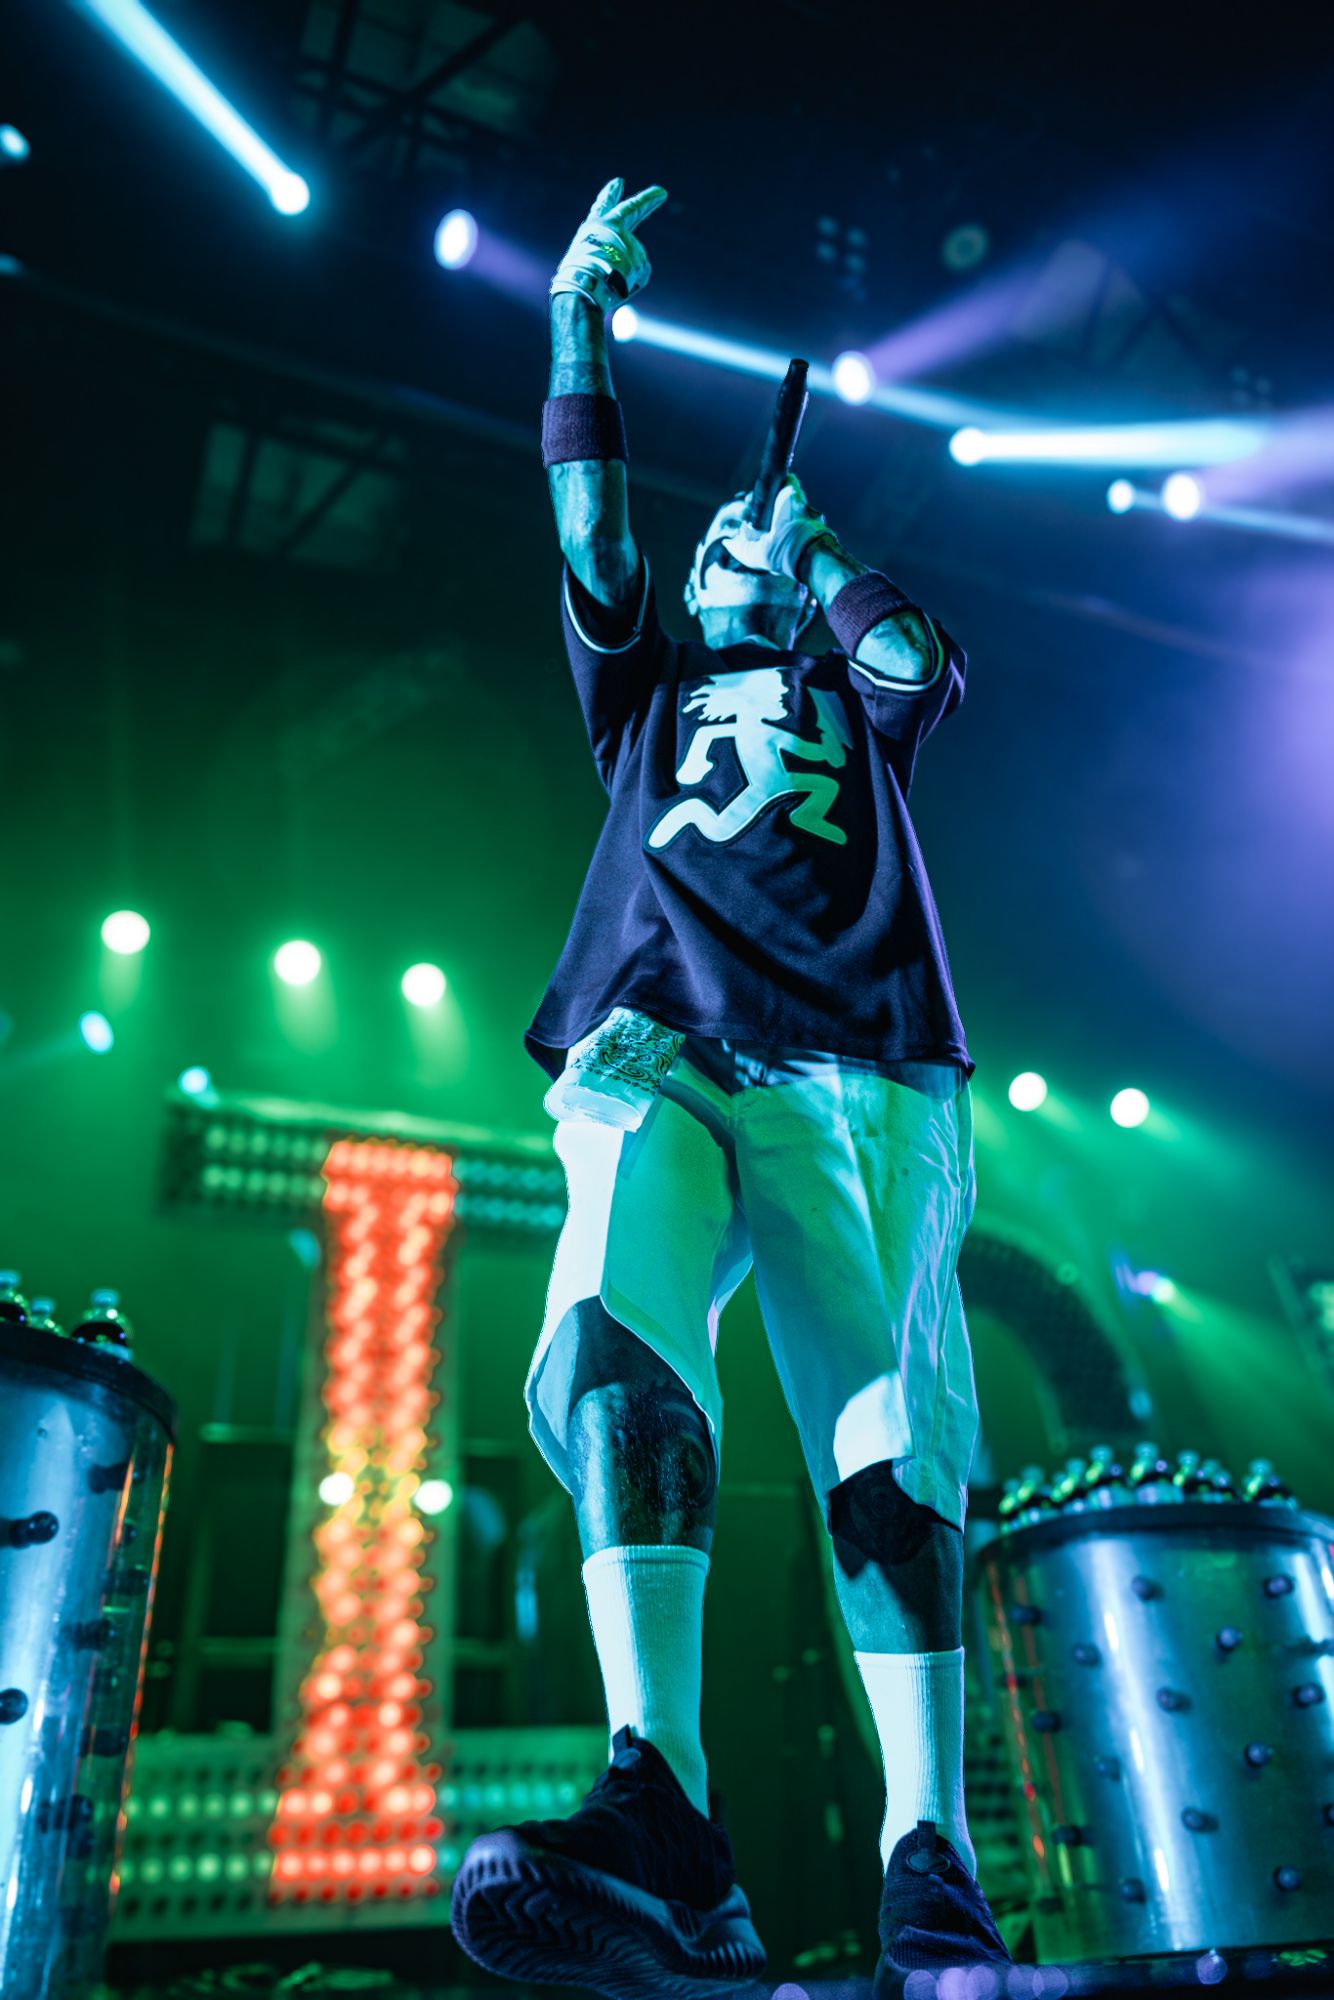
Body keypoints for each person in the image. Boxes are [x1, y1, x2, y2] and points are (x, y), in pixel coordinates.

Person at [450, 178, 1012, 2000]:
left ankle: (925, 1847)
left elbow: (924, 659)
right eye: (713, 553)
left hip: (861, 1069)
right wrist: (573, 326)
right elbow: (596, 525)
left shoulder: (857, 698)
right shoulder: (645, 689)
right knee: (618, 1327)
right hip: (656, 1035)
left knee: (885, 1447)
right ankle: (663, 1803)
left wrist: (816, 533)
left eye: (735, 551)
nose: (713, 555)